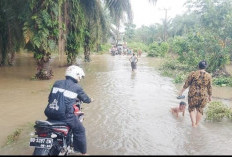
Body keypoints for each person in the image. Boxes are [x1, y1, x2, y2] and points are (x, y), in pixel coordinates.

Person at [44, 65, 93, 155]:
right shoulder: (77, 87)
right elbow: (85, 99)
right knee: (80, 130)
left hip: (49, 113)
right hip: (65, 116)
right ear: (77, 75)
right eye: (80, 77)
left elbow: (50, 98)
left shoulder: (57, 83)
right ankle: (82, 152)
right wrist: (90, 100)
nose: (80, 79)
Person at [178, 61, 212, 127]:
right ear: (205, 67)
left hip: (193, 95)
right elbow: (209, 87)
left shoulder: (193, 74)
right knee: (200, 109)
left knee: (191, 108)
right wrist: (210, 96)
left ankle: (193, 123)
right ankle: (196, 124)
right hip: (203, 96)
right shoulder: (208, 76)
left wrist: (181, 92)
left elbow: (186, 84)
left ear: (198, 66)